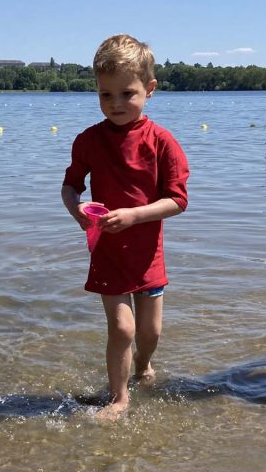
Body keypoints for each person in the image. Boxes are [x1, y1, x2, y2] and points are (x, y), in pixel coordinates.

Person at [61, 34, 190, 419]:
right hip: (108, 251)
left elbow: (178, 200)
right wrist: (76, 210)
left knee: (149, 333)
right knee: (122, 329)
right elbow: (70, 187)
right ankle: (119, 398)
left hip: (148, 253)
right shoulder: (88, 140)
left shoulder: (162, 141)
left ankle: (143, 366)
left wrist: (134, 215)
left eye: (127, 94)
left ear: (149, 90)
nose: (116, 104)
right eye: (106, 95)